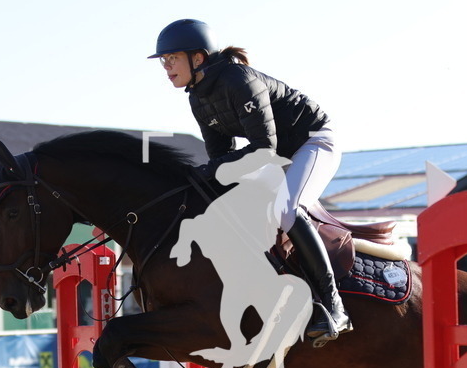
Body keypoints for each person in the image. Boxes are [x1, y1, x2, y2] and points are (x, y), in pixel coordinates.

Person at [149, 18, 352, 346]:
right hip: (277, 155)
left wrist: (208, 172)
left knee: (287, 209)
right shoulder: (197, 98)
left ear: (198, 58)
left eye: (172, 58)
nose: (166, 66)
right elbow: (220, 160)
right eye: (164, 60)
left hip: (313, 141)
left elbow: (262, 151)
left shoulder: (239, 80)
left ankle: (334, 305)